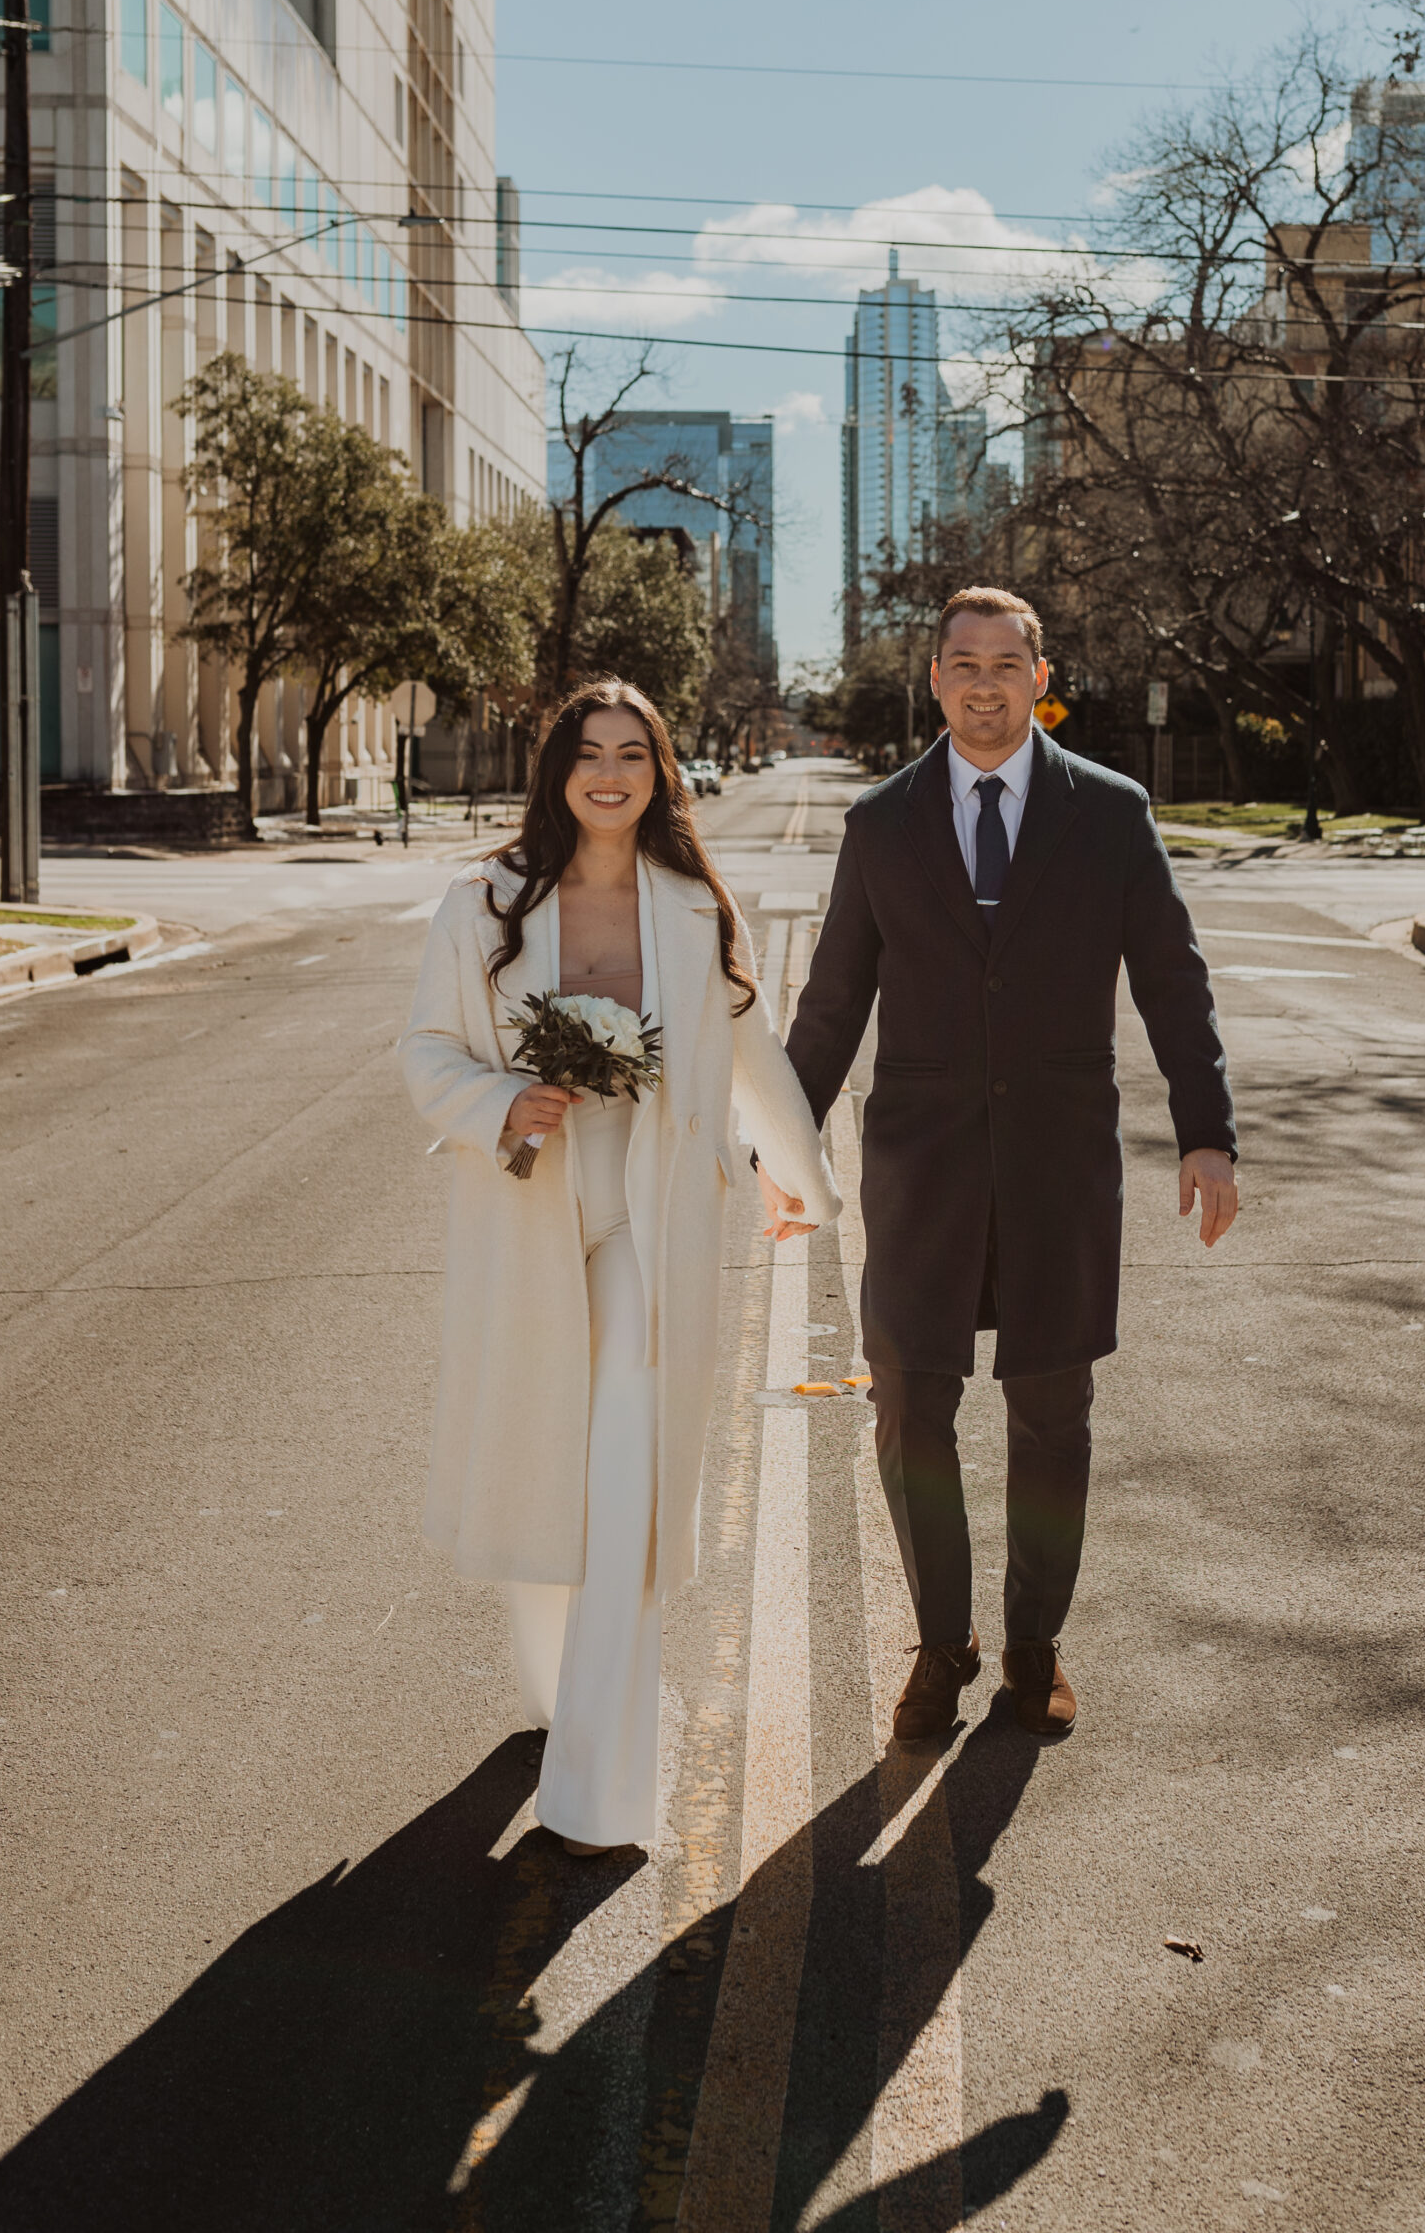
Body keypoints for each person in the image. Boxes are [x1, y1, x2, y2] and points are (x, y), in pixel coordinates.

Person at [764, 589, 1237, 1746]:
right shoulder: (881, 822)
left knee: (1052, 1413)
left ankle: (1034, 1644)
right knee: (910, 1408)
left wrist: (1207, 1132)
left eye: (1006, 664)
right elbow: (831, 1005)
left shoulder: (1112, 814)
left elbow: (1173, 979)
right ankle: (942, 1640)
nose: (985, 685)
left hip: (1056, 1169)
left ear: (1041, 675)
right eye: (963, 665)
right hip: (921, 1171)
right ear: (934, 680)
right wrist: (784, 1145)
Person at [402, 680, 838, 1852]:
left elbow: (752, 1054)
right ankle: (557, 1681)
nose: (609, 773)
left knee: (630, 1470)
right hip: (534, 1209)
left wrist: (803, 1176)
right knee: (548, 1463)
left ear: (659, 772)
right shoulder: (483, 901)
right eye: (588, 753)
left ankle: (599, 1780)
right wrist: (505, 1099)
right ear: (558, 771)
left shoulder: (693, 906)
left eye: (631, 754)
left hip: (655, 1220)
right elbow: (425, 1050)